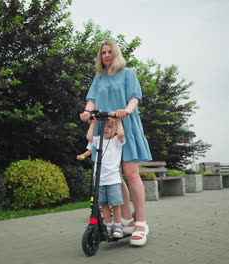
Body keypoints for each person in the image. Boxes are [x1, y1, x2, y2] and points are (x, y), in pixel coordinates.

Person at [80, 40, 152, 246]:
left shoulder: (128, 73)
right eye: (103, 52)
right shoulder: (99, 77)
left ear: (116, 53)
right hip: (106, 129)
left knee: (130, 173)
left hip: (125, 126)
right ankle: (126, 219)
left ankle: (140, 223)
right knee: (111, 173)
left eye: (110, 52)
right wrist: (87, 112)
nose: (106, 55)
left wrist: (127, 110)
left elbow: (135, 97)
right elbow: (91, 99)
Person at [87, 117, 125, 238]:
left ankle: (118, 225)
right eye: (104, 126)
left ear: (115, 130)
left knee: (115, 204)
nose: (105, 129)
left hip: (113, 179)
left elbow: (121, 133)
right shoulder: (98, 140)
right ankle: (108, 225)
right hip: (99, 179)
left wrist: (118, 121)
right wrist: (93, 124)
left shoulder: (117, 141)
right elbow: (89, 138)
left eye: (109, 127)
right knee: (103, 204)